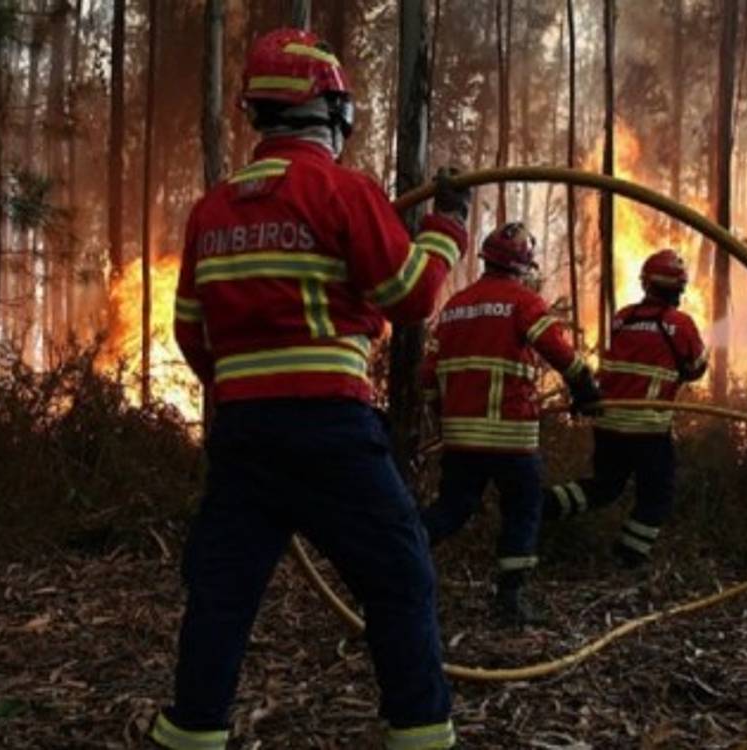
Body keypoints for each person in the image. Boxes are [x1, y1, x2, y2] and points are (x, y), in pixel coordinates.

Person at [150, 28, 472, 750]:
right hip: (330, 431)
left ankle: (192, 733)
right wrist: (447, 228)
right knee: (399, 577)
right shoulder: (343, 190)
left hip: (243, 437)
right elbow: (410, 296)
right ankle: (420, 732)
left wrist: (244, 391)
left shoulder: (212, 210)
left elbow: (192, 334)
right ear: (333, 108)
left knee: (222, 594)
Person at [419, 222, 600, 626]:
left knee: (451, 509)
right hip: (510, 438)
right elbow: (558, 349)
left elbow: (428, 373)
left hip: (461, 438)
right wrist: (584, 387)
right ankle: (510, 597)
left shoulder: (455, 306)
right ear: (523, 267)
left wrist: (439, 416)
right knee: (523, 507)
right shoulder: (523, 301)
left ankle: (395, 560)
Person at [542, 249, 707, 572]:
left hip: (609, 423)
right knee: (657, 495)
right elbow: (697, 368)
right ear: (679, 289)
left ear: (646, 284)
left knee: (605, 488)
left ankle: (541, 506)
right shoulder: (681, 324)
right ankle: (630, 558)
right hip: (648, 430)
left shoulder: (623, 317)